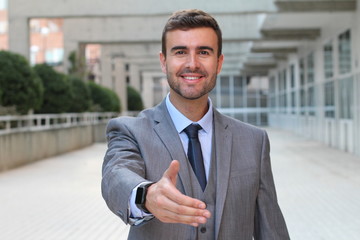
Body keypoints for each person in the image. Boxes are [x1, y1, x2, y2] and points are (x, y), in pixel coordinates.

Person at [102, 9, 290, 240]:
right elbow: (116, 175)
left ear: (219, 63)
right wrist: (146, 195)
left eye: (203, 52)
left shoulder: (254, 141)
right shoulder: (131, 131)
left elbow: (271, 231)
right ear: (164, 62)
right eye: (180, 52)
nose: (192, 64)